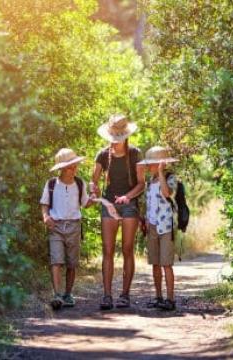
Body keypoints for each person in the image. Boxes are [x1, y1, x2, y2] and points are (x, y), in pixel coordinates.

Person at [91, 114, 145, 310]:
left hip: (129, 204)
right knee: (108, 250)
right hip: (108, 204)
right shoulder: (102, 155)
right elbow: (94, 181)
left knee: (128, 249)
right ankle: (107, 295)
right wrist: (93, 190)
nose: (115, 141)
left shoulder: (135, 153)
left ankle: (124, 294)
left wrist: (128, 197)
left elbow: (141, 184)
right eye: (113, 137)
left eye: (118, 137)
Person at [40, 148, 93, 310]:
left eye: (75, 166)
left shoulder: (79, 183)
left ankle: (68, 294)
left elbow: (86, 204)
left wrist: (94, 197)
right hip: (55, 226)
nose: (74, 169)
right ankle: (57, 295)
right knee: (56, 261)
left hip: (74, 226)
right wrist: (46, 217)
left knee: (72, 263)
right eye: (71, 167)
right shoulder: (51, 184)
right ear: (62, 169)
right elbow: (44, 204)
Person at [138, 146, 179, 311]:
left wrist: (161, 173)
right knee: (155, 263)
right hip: (153, 226)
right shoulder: (149, 181)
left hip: (166, 226)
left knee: (166, 263)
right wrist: (146, 220)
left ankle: (170, 299)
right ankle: (158, 297)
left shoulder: (170, 178)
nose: (149, 167)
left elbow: (167, 193)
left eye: (152, 164)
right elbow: (149, 203)